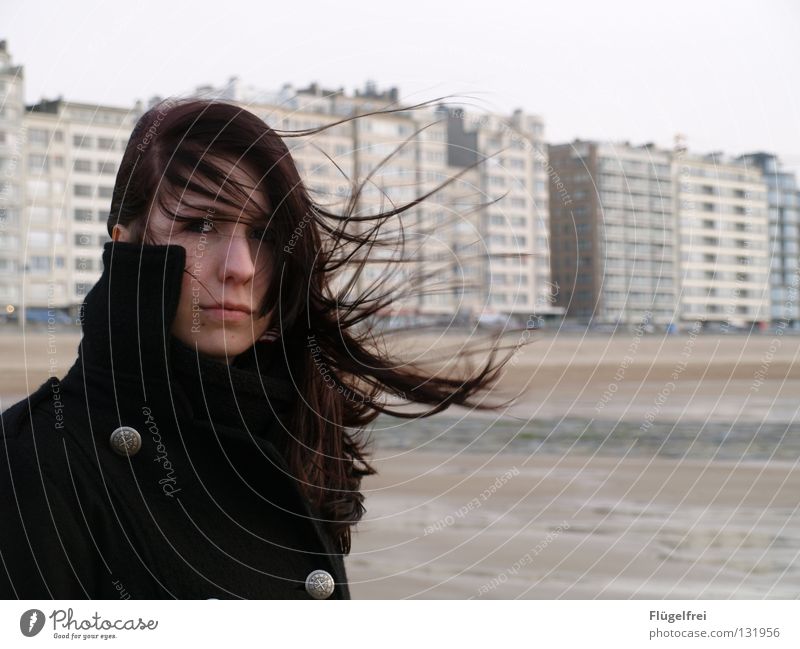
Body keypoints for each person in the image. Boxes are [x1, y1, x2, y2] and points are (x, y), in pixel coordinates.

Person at [0, 98, 520, 599]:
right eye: (201, 225)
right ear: (125, 242)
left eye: (264, 234)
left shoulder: (293, 430)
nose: (241, 267)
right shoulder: (40, 459)